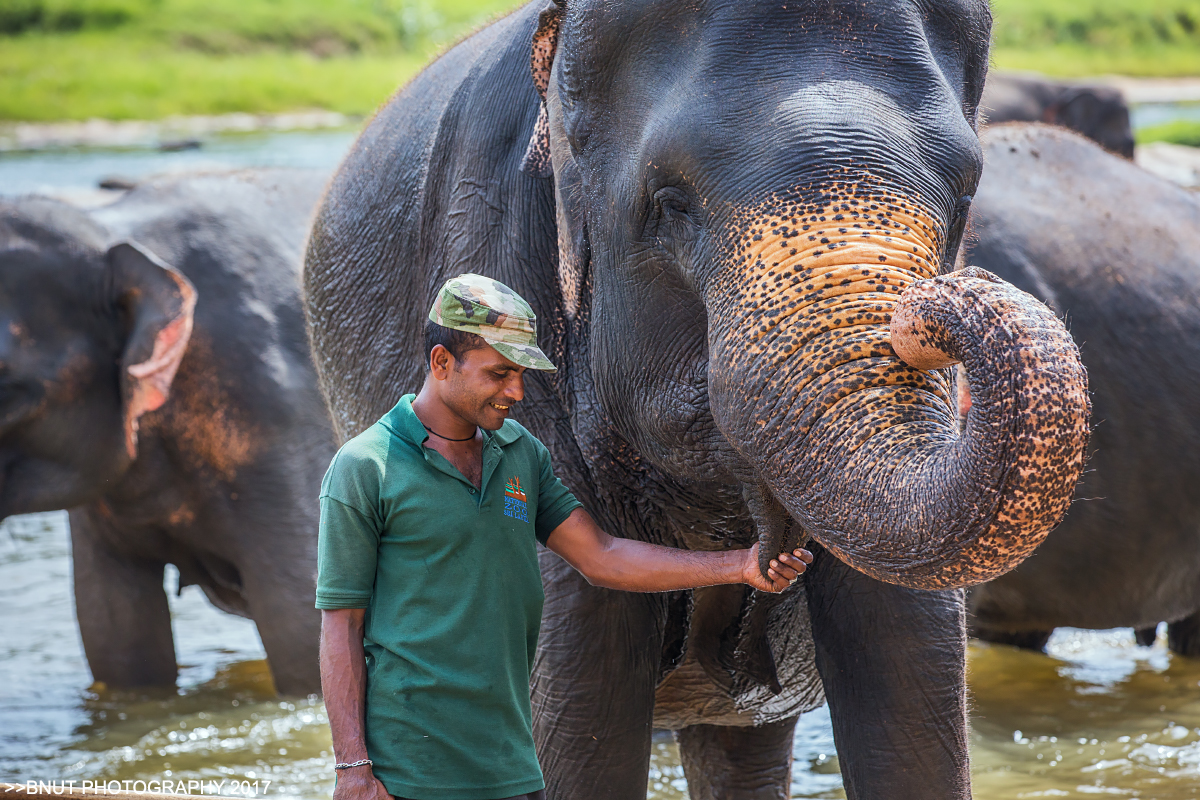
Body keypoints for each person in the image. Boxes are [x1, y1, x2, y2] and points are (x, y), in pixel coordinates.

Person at [317, 274, 812, 800]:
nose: (516, 391)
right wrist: (353, 769)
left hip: (512, 766)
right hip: (408, 774)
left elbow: (603, 556)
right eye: (500, 373)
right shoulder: (365, 468)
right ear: (442, 363)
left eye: (521, 373)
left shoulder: (520, 454)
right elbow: (340, 626)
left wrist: (739, 566)